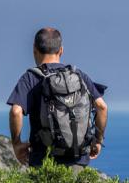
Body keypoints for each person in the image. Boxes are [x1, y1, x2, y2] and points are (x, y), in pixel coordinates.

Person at [7, 27, 108, 169]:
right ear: (61, 50)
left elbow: (16, 111)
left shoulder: (30, 78)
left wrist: (16, 144)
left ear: (34, 49)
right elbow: (102, 107)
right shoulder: (78, 75)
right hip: (77, 158)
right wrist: (98, 140)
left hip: (44, 161)